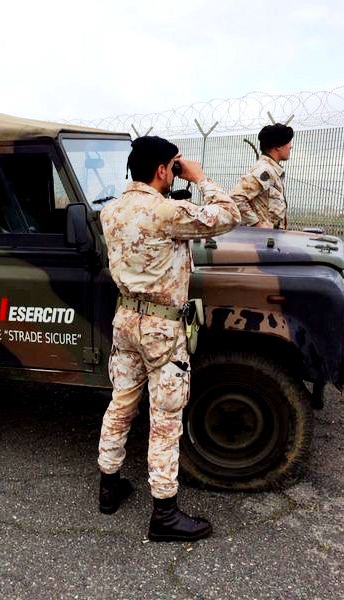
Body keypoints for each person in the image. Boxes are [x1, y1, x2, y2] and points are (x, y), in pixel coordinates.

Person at [97, 136, 241, 542]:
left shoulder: (111, 211)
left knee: (121, 403)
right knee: (165, 419)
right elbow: (228, 215)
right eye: (172, 165)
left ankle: (108, 486)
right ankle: (164, 513)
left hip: (125, 321)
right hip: (162, 329)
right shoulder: (167, 212)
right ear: (163, 169)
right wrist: (199, 177)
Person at [231, 123, 294, 229]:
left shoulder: (273, 170)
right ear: (278, 146)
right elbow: (235, 198)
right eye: (288, 142)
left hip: (269, 239)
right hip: (261, 241)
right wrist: (257, 224)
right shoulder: (264, 170)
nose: (291, 146)